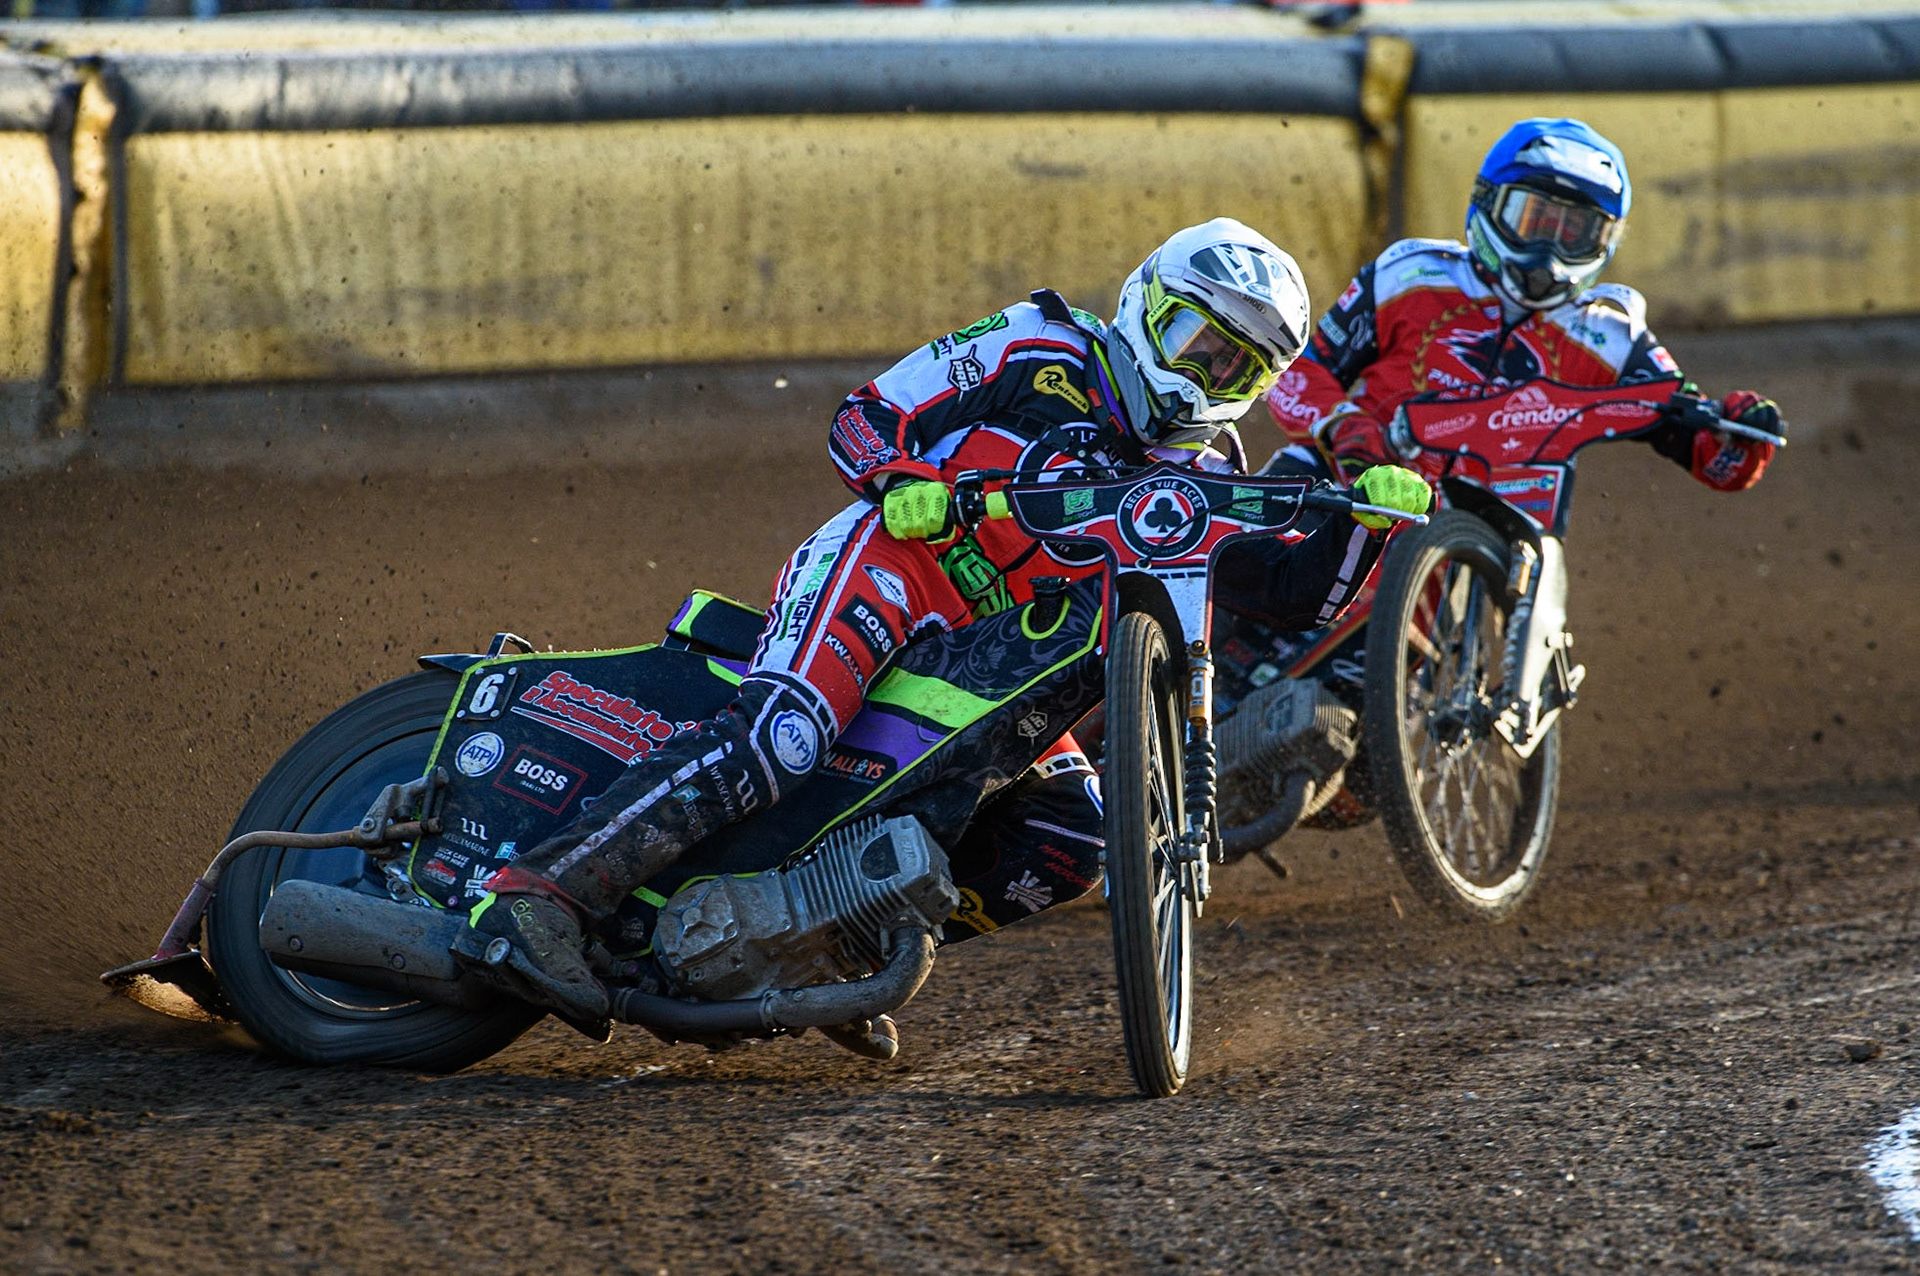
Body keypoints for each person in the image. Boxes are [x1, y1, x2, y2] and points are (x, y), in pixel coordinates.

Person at [465, 218, 1432, 1029]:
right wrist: (906, 481)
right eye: (1198, 340)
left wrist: (1371, 529)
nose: (1208, 372)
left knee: (1075, 836)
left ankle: (819, 944)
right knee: (783, 736)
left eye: (1238, 366)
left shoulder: (1209, 478)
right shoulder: (1038, 344)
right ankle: (538, 898)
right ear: (1147, 304)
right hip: (898, 569)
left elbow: (1287, 595)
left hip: (1007, 663)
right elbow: (866, 415)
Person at [1263, 116, 1783, 492]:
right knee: (1274, 491)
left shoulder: (1610, 335)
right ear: (1490, 203)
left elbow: (1716, 463)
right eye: (1535, 221)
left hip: (1481, 530)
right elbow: (1295, 375)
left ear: (1604, 243)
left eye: (1573, 233)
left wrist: (1740, 430)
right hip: (1356, 481)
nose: (1548, 251)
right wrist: (1343, 424)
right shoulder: (1412, 274)